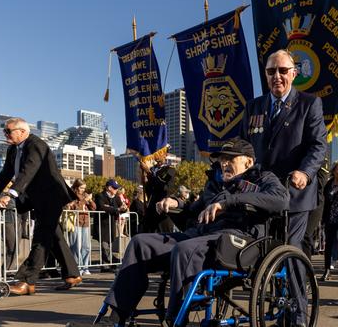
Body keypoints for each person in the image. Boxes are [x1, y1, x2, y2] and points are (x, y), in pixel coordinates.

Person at [103, 138, 289, 325]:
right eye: (222, 159)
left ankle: (176, 319)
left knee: (184, 249)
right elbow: (194, 209)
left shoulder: (263, 178)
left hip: (238, 240)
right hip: (201, 235)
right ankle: (117, 314)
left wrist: (228, 202)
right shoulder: (215, 184)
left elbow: (281, 200)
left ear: (248, 162)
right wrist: (177, 203)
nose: (224, 163)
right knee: (139, 243)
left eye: (230, 159)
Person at [240, 49, 327, 326]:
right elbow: (243, 147)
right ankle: (277, 311)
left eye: (282, 71)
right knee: (261, 254)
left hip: (295, 194)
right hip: (261, 194)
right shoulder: (253, 107)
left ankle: (298, 316)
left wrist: (306, 172)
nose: (276, 76)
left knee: (289, 252)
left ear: (294, 73)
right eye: (270, 71)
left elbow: (317, 145)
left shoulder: (309, 104)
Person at [0, 117, 81, 295]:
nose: (5, 134)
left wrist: (10, 194)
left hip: (51, 197)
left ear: (22, 131)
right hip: (37, 199)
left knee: (41, 237)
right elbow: (5, 174)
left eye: (8, 131)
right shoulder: (13, 150)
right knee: (54, 236)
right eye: (4, 131)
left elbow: (28, 170)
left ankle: (27, 280)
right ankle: (72, 274)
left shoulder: (36, 144)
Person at [66, 179, 96, 276]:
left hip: (85, 223)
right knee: (76, 246)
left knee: (86, 246)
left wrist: (90, 200)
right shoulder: (71, 195)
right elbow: (75, 207)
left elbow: (94, 208)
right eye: (81, 188)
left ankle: (85, 267)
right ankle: (77, 267)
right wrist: (84, 201)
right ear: (76, 187)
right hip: (75, 222)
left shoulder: (84, 196)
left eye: (84, 188)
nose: (83, 190)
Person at [95, 179, 126, 269]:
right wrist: (115, 209)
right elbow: (102, 207)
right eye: (115, 188)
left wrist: (123, 208)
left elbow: (122, 208)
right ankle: (109, 264)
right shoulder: (100, 195)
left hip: (111, 224)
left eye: (117, 188)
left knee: (110, 245)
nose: (116, 190)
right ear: (109, 188)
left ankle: (108, 265)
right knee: (104, 246)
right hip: (102, 225)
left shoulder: (116, 197)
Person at [140, 161, 177, 233]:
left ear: (165, 154)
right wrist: (146, 183)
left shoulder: (170, 169)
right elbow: (150, 191)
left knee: (163, 237)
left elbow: (160, 184)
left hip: (163, 209)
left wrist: (148, 172)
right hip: (151, 209)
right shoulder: (153, 170)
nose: (158, 156)